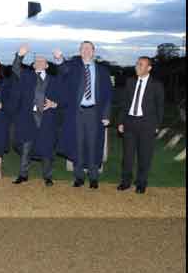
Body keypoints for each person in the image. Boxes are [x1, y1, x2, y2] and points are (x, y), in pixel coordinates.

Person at [55, 41, 112, 189]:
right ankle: (79, 177)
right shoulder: (74, 67)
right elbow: (63, 70)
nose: (85, 51)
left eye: (88, 48)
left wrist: (106, 115)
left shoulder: (102, 71)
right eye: (83, 49)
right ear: (80, 52)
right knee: (77, 145)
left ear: (93, 52)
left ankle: (93, 178)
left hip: (95, 113)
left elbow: (107, 95)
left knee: (94, 145)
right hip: (77, 113)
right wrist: (60, 59)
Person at [10, 44, 62, 186]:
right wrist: (19, 56)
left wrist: (55, 104)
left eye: (42, 61)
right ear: (33, 66)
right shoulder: (26, 76)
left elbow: (62, 98)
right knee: (26, 148)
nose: (39, 63)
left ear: (46, 65)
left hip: (47, 119)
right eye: (36, 61)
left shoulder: (54, 80)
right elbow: (15, 68)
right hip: (29, 117)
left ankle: (48, 176)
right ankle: (23, 174)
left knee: (47, 148)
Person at [117, 56, 164, 194]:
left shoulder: (156, 85)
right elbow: (124, 104)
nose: (137, 66)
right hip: (130, 123)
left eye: (141, 64)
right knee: (127, 156)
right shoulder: (130, 82)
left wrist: (157, 125)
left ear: (149, 68)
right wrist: (120, 121)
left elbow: (160, 107)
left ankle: (141, 183)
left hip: (147, 124)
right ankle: (125, 182)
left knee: (144, 156)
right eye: (137, 64)